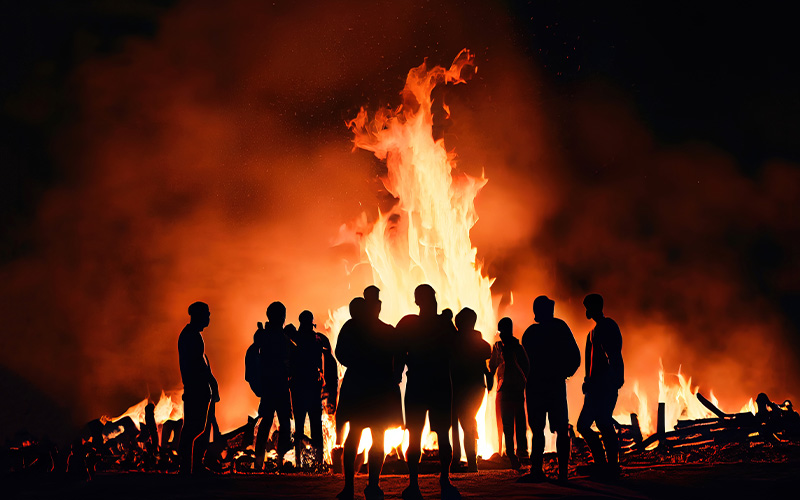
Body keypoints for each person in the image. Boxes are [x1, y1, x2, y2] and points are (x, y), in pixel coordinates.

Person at [335, 291, 402, 500]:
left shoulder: (365, 329)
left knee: (370, 436)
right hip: (369, 389)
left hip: (368, 389)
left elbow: (399, 356)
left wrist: (395, 375)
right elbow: (341, 354)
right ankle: (359, 486)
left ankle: (368, 485)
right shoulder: (358, 329)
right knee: (360, 436)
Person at [396, 284, 460, 500]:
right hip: (429, 383)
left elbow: (399, 352)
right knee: (418, 435)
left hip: (430, 383)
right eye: (429, 297)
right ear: (418, 301)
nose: (433, 301)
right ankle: (417, 483)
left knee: (441, 434)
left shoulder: (435, 324)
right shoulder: (438, 324)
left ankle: (442, 480)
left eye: (433, 296)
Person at [521, 295, 581, 482]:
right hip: (552, 386)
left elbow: (523, 363)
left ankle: (538, 470)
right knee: (559, 429)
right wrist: (564, 373)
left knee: (540, 430)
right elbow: (575, 356)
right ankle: (561, 473)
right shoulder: (559, 328)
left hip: (536, 387)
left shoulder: (531, 333)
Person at [576, 293, 624, 479]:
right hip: (595, 387)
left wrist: (614, 378)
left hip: (604, 386)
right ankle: (603, 464)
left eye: (588, 306)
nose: (587, 311)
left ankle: (611, 466)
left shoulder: (607, 327)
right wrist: (587, 381)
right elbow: (592, 361)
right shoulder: (593, 332)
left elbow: (613, 355)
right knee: (585, 425)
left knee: (603, 422)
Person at [177, 301, 219, 475]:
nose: (209, 317)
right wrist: (212, 382)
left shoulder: (191, 334)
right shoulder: (191, 336)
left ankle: (192, 466)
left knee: (196, 428)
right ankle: (188, 467)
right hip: (196, 388)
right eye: (207, 314)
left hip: (197, 388)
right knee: (194, 428)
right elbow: (199, 364)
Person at [288, 310, 333, 468]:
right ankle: (317, 461)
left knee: (302, 423)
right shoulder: (317, 339)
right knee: (314, 424)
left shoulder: (295, 338)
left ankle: (301, 462)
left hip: (301, 386)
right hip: (311, 386)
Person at [253, 301, 294, 471]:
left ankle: (263, 463)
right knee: (280, 423)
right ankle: (276, 462)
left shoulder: (264, 335)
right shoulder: (272, 336)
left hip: (272, 385)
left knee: (271, 422)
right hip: (277, 385)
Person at [450, 307, 491, 472]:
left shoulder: (457, 341)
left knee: (462, 421)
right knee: (467, 421)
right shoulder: (480, 343)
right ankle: (463, 460)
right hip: (475, 387)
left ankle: (465, 461)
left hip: (461, 387)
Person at [489, 317, 529, 470]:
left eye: (503, 330)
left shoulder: (517, 348)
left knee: (518, 421)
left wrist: (522, 382)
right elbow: (493, 365)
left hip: (514, 389)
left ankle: (520, 452)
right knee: (506, 422)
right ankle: (509, 453)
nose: (500, 334)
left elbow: (525, 366)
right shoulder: (499, 347)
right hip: (504, 389)